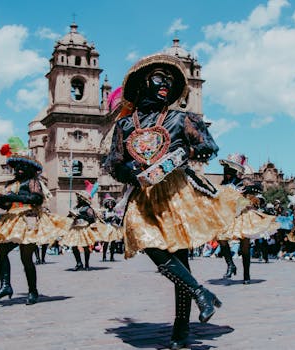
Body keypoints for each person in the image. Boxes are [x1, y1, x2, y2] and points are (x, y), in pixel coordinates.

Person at [105, 53, 237, 349]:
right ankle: (202, 293)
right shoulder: (125, 126)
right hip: (143, 196)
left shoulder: (181, 118)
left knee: (181, 260)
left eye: (169, 80)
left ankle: (180, 333)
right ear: (143, 83)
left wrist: (182, 156)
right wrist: (132, 172)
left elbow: (207, 146)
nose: (164, 84)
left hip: (176, 194)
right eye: (158, 78)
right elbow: (114, 163)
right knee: (148, 244)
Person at [0, 144, 70, 305]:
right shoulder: (10, 184)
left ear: (29, 168)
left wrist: (13, 197)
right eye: (16, 167)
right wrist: (1, 198)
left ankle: (33, 291)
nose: (18, 170)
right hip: (11, 220)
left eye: (22, 167)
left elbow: (36, 199)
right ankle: (5, 285)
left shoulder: (32, 182)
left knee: (26, 258)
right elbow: (5, 205)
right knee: (2, 250)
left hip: (28, 219)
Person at [216, 154, 278, 283]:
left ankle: (246, 275)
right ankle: (230, 264)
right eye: (225, 170)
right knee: (221, 238)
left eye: (229, 170)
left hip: (242, 215)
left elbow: (259, 188)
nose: (227, 173)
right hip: (228, 217)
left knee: (245, 246)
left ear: (235, 171)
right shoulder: (223, 184)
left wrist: (247, 189)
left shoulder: (242, 181)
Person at [63, 183, 105, 271]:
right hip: (75, 228)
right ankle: (79, 263)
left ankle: (86, 264)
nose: (78, 199)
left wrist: (80, 216)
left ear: (83, 199)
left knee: (86, 247)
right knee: (74, 246)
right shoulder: (76, 207)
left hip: (84, 228)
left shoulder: (88, 208)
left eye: (79, 198)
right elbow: (69, 217)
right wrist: (70, 215)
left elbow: (91, 219)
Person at [100, 194, 122, 262]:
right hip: (107, 228)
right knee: (106, 243)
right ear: (107, 204)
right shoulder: (104, 212)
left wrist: (116, 218)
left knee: (113, 243)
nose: (110, 204)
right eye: (109, 203)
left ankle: (112, 257)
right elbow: (101, 220)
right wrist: (107, 219)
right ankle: (104, 256)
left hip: (113, 228)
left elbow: (119, 220)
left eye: (111, 203)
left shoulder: (115, 212)